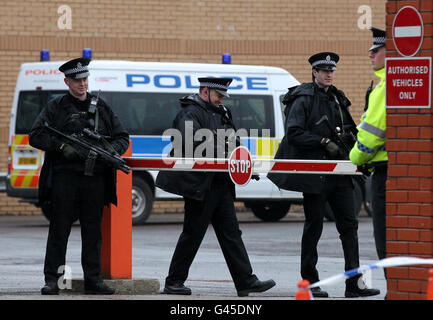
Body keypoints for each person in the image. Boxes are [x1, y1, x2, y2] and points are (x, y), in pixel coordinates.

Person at [267, 52, 380, 298]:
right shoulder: (303, 98)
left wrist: (355, 149)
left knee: (349, 226)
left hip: (338, 173)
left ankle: (353, 283)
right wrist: (322, 140)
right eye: (324, 70)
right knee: (314, 228)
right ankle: (310, 281)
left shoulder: (338, 98)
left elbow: (350, 130)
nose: (329, 74)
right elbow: (294, 133)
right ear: (315, 72)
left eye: (332, 70)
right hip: (314, 174)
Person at [155, 77, 275, 297]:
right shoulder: (190, 113)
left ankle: (245, 281)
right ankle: (174, 282)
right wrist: (226, 150)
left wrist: (243, 164)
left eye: (223, 96)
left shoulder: (222, 113)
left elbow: (234, 143)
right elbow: (192, 144)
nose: (221, 100)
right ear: (205, 91)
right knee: (193, 234)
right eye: (218, 95)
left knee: (231, 234)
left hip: (220, 183)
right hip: (200, 185)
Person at [29, 57, 130, 295]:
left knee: (93, 231)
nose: (82, 84)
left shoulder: (101, 107)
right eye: (77, 81)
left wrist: (109, 151)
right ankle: (53, 279)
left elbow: (122, 137)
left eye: (85, 79)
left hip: (94, 179)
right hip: (65, 177)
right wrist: (62, 147)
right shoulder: (56, 107)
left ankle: (93, 280)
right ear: (67, 81)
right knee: (60, 229)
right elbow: (35, 135)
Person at [350, 27, 387, 260]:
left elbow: (370, 137)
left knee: (384, 237)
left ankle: (393, 290)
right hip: (399, 171)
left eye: (376, 50)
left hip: (383, 173)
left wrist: (353, 158)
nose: (370, 55)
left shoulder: (384, 88)